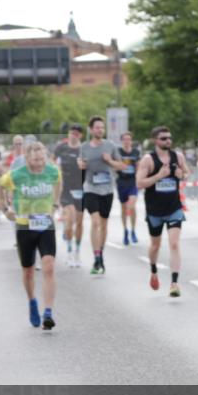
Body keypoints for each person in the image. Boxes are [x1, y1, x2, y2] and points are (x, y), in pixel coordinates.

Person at [0, 141, 62, 329]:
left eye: (42, 158)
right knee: (28, 271)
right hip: (25, 226)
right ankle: (32, 301)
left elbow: (59, 182)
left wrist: (56, 204)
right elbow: (0, 186)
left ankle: (48, 312)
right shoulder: (17, 175)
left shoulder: (52, 171)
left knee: (49, 266)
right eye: (35, 159)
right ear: (27, 158)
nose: (40, 162)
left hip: (45, 225)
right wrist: (4, 208)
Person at [135, 126, 188, 298]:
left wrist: (182, 175)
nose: (168, 141)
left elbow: (187, 173)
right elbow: (139, 183)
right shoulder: (148, 160)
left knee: (174, 243)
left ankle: (174, 283)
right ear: (155, 141)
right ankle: (153, 270)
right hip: (155, 210)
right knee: (155, 245)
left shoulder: (177, 156)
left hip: (174, 208)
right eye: (164, 138)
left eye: (169, 138)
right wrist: (159, 176)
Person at [78, 116, 126, 275]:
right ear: (91, 129)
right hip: (91, 189)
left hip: (107, 189)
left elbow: (121, 166)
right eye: (97, 127)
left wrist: (110, 161)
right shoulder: (84, 147)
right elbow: (79, 165)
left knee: (104, 224)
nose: (100, 130)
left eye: (102, 128)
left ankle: (100, 253)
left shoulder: (110, 145)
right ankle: (96, 256)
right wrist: (81, 165)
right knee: (96, 221)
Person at [53, 124, 85, 267]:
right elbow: (52, 162)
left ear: (81, 136)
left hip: (80, 187)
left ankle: (77, 251)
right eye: (72, 133)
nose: (74, 136)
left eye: (77, 134)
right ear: (68, 134)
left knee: (78, 223)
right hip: (65, 188)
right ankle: (69, 252)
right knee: (69, 220)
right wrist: (56, 169)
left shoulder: (84, 149)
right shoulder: (61, 148)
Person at [116, 131, 143, 245]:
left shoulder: (136, 152)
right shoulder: (118, 152)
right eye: (125, 139)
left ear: (131, 141)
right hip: (121, 181)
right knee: (123, 208)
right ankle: (125, 231)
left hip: (132, 181)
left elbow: (139, 166)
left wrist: (139, 179)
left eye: (129, 139)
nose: (127, 141)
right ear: (122, 141)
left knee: (131, 206)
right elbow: (114, 165)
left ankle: (133, 230)